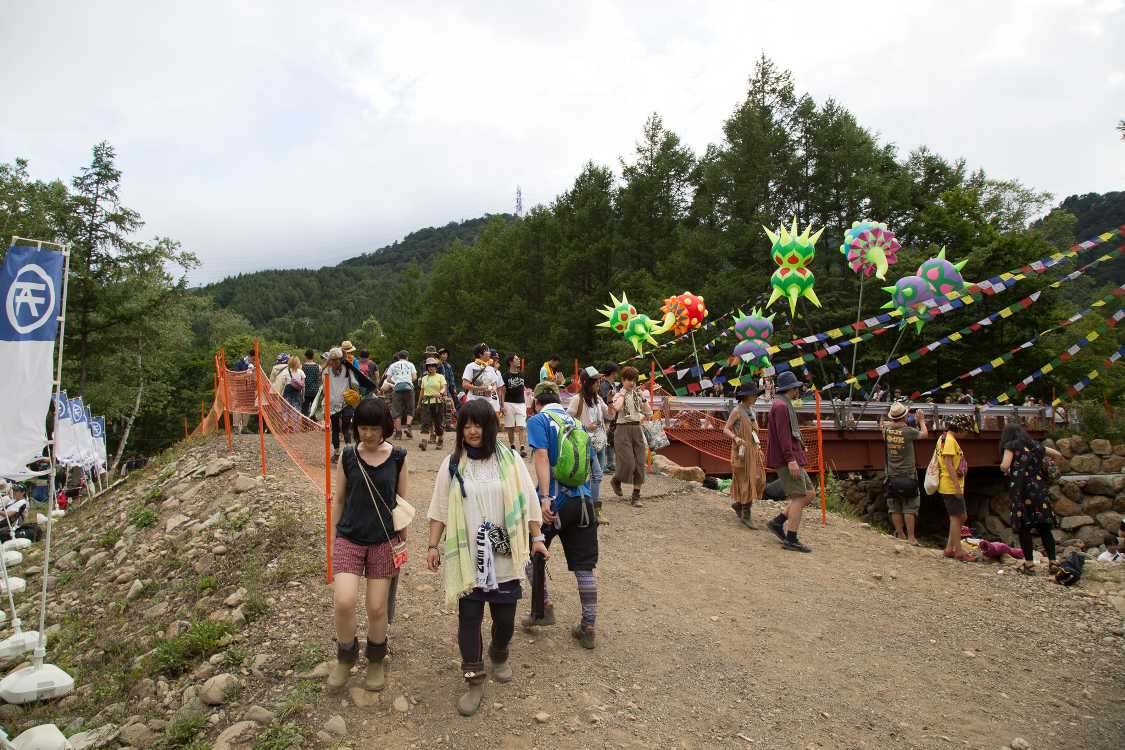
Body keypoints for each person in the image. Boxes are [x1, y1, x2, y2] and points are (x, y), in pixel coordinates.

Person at [425, 399, 548, 716]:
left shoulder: (510, 460)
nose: (471, 431)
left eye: (477, 424)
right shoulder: (453, 463)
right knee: (469, 619)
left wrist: (536, 538)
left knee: (505, 619)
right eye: (466, 425)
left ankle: (500, 651)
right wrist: (433, 545)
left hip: (504, 554)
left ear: (490, 427)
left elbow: (528, 501)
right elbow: (440, 507)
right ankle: (474, 679)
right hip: (468, 557)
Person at [327, 398, 408, 692]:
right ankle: (345, 656)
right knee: (344, 600)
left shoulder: (398, 457)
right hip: (349, 537)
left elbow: (401, 502)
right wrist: (334, 539)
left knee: (376, 608)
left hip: (383, 541)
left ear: (384, 427)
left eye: (374, 428)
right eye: (363, 428)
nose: (368, 434)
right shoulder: (348, 456)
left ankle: (375, 658)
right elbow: (339, 499)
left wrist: (402, 540)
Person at [522, 382, 599, 650]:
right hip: (583, 503)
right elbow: (591, 466)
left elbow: (542, 456)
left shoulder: (539, 421)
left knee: (530, 552)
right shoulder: (577, 424)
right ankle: (588, 627)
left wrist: (544, 497)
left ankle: (542, 608)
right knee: (584, 567)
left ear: (537, 403)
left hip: (554, 502)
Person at [999, 422, 1063, 574]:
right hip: (1039, 489)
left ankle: (1029, 565)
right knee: (1044, 528)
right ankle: (1053, 562)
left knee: (1024, 528)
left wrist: (1008, 470)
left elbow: (1004, 465)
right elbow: (1057, 454)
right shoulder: (1035, 445)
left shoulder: (1010, 446)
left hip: (1021, 491)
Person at [765, 370, 815, 553]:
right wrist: (790, 459)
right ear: (792, 388)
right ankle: (791, 539)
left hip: (793, 456)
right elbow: (783, 436)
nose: (798, 390)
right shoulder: (781, 406)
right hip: (787, 459)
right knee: (799, 497)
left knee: (809, 493)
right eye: (796, 388)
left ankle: (778, 522)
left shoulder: (783, 404)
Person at [881, 402, 929, 546]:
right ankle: (911, 538)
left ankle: (900, 534)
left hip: (891, 474)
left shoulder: (886, 431)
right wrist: (921, 421)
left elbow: (885, 425)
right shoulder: (908, 431)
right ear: (904, 416)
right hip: (908, 474)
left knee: (894, 506)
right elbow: (924, 434)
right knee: (910, 506)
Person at [569, 368, 610, 524]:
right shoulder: (577, 400)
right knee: (597, 475)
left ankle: (582, 503)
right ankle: (594, 510)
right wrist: (585, 427)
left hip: (600, 441)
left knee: (593, 476)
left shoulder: (598, 399)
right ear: (586, 382)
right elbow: (567, 421)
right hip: (585, 442)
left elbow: (609, 414)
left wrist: (611, 401)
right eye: (595, 381)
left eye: (599, 381)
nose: (599, 384)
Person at [722, 384, 766, 529]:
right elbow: (726, 429)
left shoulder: (752, 411)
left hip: (753, 451)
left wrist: (758, 447)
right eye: (754, 394)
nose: (756, 397)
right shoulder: (737, 411)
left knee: (759, 479)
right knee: (746, 481)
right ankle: (746, 514)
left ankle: (739, 505)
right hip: (741, 453)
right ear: (746, 396)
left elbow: (754, 433)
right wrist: (736, 438)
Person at [610, 366, 651, 508]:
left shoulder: (637, 395)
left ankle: (636, 496)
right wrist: (622, 394)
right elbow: (617, 408)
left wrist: (643, 399)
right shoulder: (618, 395)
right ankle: (617, 479)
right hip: (622, 429)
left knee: (640, 463)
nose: (632, 383)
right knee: (628, 462)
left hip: (637, 428)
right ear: (623, 380)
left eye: (634, 380)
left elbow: (649, 413)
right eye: (629, 380)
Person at [938, 413, 977, 562]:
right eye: (966, 430)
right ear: (960, 429)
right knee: (956, 517)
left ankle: (950, 548)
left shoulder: (944, 437)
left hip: (950, 484)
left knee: (960, 516)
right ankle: (958, 551)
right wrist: (956, 486)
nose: (966, 434)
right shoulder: (949, 440)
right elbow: (948, 464)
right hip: (951, 485)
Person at [323, 348, 359, 462]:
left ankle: (337, 453)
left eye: (335, 360)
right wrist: (355, 392)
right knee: (345, 428)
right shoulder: (347, 369)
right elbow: (355, 383)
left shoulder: (326, 370)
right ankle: (347, 453)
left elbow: (324, 388)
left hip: (332, 403)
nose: (334, 362)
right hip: (346, 401)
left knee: (336, 429)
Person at [383, 351, 418, 439]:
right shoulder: (411, 364)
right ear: (407, 357)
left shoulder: (392, 365)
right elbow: (414, 377)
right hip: (409, 388)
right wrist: (407, 381)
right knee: (410, 409)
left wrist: (396, 382)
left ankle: (398, 433)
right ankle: (408, 427)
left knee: (396, 411)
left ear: (399, 357)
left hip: (397, 389)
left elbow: (388, 379)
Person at [499, 354, 529, 458]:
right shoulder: (505, 376)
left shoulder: (522, 374)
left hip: (521, 403)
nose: (519, 360)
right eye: (516, 359)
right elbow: (503, 391)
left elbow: (523, 386)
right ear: (511, 362)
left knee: (521, 426)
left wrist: (527, 390)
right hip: (509, 403)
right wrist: (502, 405)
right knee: (510, 427)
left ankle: (522, 447)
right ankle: (512, 446)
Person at [416, 358, 447, 451]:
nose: (431, 367)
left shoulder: (440, 377)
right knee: (425, 422)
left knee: (438, 423)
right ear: (427, 367)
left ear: (436, 367)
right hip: (426, 403)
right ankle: (424, 442)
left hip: (438, 403)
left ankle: (440, 440)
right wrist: (419, 404)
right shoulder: (424, 378)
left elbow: (444, 387)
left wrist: (440, 393)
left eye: (433, 365)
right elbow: (422, 391)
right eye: (429, 366)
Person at [462, 343, 502, 415]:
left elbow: (493, 385)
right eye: (487, 351)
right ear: (480, 354)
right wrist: (479, 388)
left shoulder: (490, 369)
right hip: (473, 403)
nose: (489, 353)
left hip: (488, 404)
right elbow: (465, 384)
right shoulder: (470, 366)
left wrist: (490, 389)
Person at [597, 364, 619, 472]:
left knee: (611, 439)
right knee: (604, 439)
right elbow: (604, 401)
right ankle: (604, 464)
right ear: (613, 372)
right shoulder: (604, 385)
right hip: (606, 415)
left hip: (613, 414)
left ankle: (610, 463)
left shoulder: (612, 384)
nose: (617, 374)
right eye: (616, 372)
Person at [302, 349, 322, 417]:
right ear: (313, 356)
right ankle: (313, 421)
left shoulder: (302, 366)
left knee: (304, 410)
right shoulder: (318, 366)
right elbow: (320, 378)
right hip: (315, 390)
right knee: (314, 409)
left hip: (305, 391)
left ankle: (304, 422)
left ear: (305, 356)